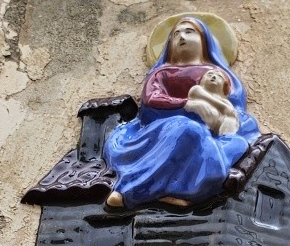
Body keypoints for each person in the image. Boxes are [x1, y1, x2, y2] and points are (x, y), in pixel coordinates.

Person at [104, 15, 258, 210]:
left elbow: (234, 106)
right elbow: (151, 100)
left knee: (237, 144)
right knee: (189, 130)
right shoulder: (162, 73)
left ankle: (185, 192)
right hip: (164, 128)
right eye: (176, 34)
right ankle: (129, 190)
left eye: (189, 32)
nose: (181, 37)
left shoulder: (220, 73)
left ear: (205, 40)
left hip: (212, 129)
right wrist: (186, 104)